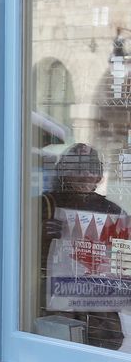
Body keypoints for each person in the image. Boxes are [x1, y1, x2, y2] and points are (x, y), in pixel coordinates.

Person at [39, 142, 127, 349]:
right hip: (57, 297)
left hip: (98, 302)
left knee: (103, 345)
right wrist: (42, 235)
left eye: (90, 169)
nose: (84, 175)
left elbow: (122, 261)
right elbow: (24, 252)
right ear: (63, 173)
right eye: (75, 169)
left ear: (98, 176)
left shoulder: (112, 210)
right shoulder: (45, 205)